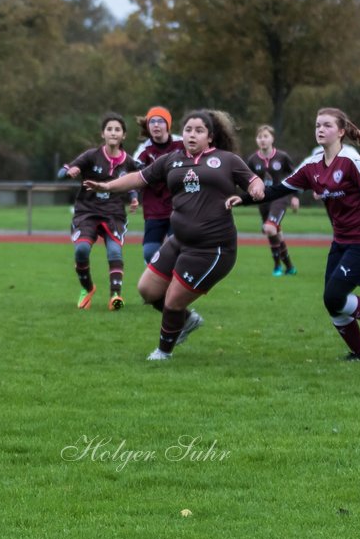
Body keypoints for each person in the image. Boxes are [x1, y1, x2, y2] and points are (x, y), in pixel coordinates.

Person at [84, 110, 263, 360]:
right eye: (188, 129)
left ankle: (163, 352)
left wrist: (255, 189)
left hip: (213, 248)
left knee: (173, 299)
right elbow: (139, 178)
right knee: (147, 290)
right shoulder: (171, 160)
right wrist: (107, 186)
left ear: (210, 137)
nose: (192, 134)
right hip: (179, 241)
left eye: (199, 131)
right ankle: (187, 321)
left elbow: (255, 182)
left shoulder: (227, 160)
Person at [234, 109, 360, 361]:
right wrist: (242, 199)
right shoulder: (312, 165)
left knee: (334, 295)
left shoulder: (351, 159)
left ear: (341, 131)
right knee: (331, 301)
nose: (320, 129)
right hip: (341, 240)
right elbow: (277, 190)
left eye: (327, 125)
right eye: (318, 125)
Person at [58, 113, 140, 310]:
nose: (113, 132)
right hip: (87, 212)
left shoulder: (128, 162)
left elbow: (135, 180)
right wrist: (70, 172)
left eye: (117, 129)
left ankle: (115, 296)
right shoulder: (90, 156)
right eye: (109, 129)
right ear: (103, 134)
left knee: (114, 251)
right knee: (82, 250)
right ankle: (87, 288)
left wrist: (134, 197)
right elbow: (62, 172)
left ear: (124, 136)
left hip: (114, 214)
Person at [243, 125, 299, 276]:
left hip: (280, 197)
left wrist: (294, 196)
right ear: (256, 139)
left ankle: (277, 267)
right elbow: (247, 179)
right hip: (263, 200)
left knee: (269, 228)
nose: (263, 140)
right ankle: (289, 267)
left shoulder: (282, 157)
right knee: (274, 233)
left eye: (266, 136)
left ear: (272, 138)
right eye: (260, 137)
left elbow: (295, 176)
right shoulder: (253, 160)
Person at [133, 107, 185, 263]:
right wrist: (133, 194)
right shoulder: (144, 150)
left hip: (179, 207)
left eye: (160, 121)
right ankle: (156, 282)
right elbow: (134, 174)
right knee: (149, 253)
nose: (156, 125)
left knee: (176, 248)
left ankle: (176, 283)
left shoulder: (181, 143)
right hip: (154, 209)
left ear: (168, 125)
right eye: (152, 121)